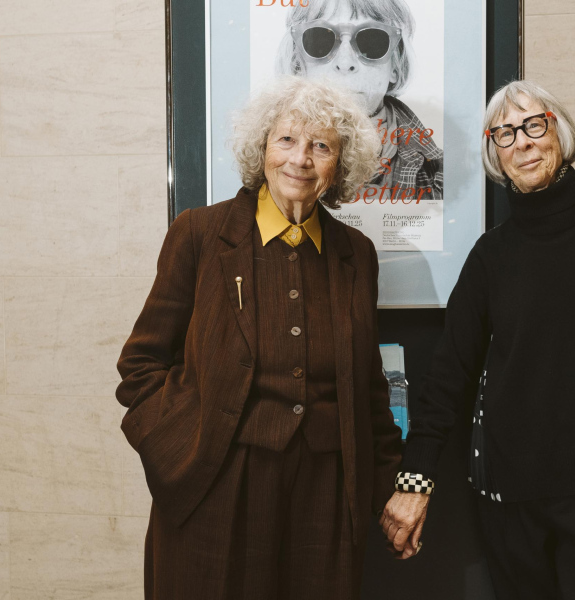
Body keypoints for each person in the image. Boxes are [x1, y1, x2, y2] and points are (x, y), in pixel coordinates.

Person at [381, 80, 575, 599]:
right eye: (505, 133)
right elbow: (448, 376)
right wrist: (415, 480)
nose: (521, 142)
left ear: (558, 132)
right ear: (495, 153)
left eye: (533, 125)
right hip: (510, 496)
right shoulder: (490, 256)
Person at [116, 77, 402, 600]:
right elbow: (141, 364)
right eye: (286, 139)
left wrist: (389, 487)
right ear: (262, 147)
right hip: (217, 484)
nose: (300, 159)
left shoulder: (356, 253)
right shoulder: (199, 234)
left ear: (340, 164)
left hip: (325, 496)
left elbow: (368, 386)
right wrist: (174, 454)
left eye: (321, 146)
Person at [276, 0, 443, 201]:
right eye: (320, 39)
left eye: (372, 41)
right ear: (298, 64)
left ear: (395, 65)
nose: (345, 63)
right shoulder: (264, 165)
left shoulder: (439, 177)